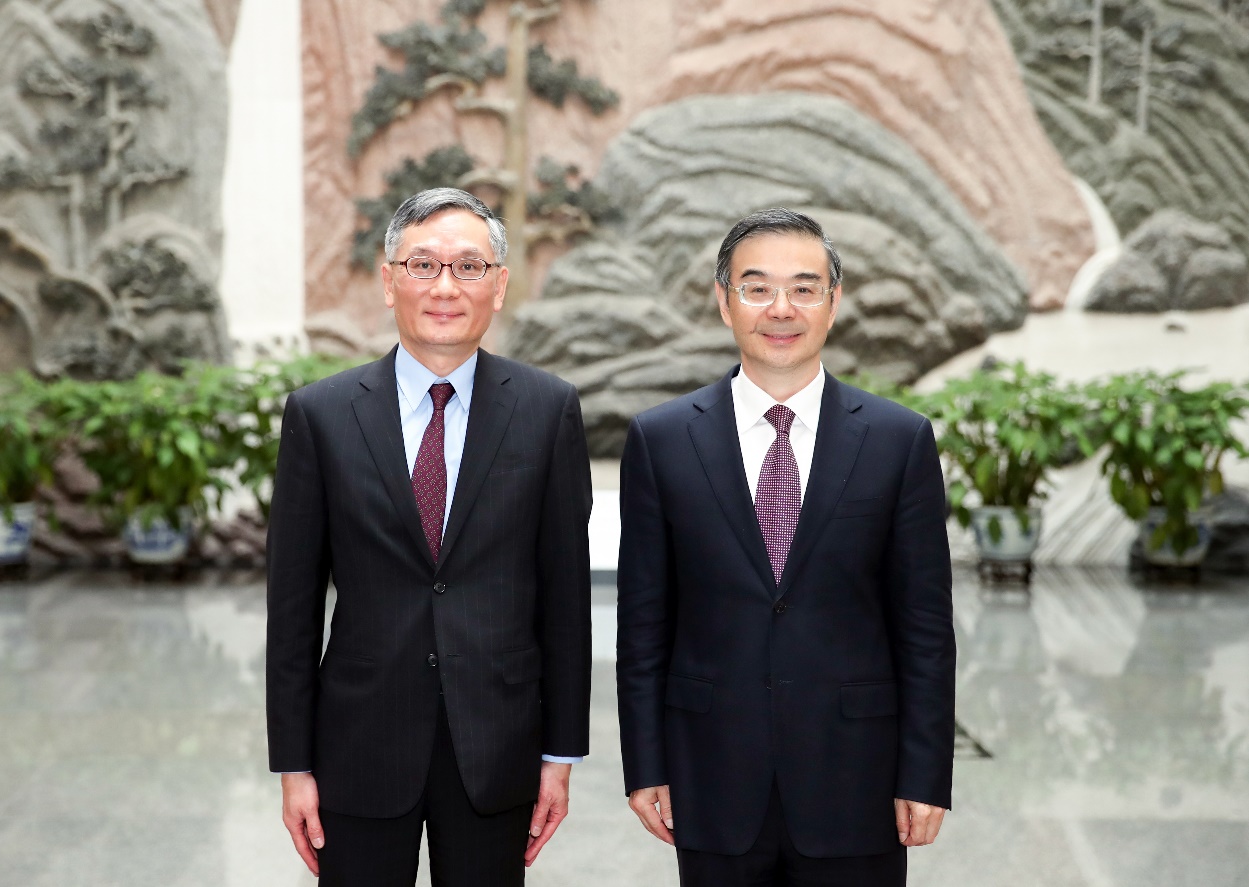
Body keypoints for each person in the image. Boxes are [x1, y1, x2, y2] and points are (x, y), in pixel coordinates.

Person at [616, 208, 955, 886]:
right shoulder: (660, 439)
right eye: (756, 286)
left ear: (834, 302)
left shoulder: (898, 439)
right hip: (709, 775)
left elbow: (923, 627)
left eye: (803, 287)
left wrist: (924, 773)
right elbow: (643, 625)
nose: (780, 307)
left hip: (857, 778)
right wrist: (647, 764)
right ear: (723, 301)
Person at [266, 188, 592, 886]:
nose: (445, 286)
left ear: (499, 286)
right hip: (356, 748)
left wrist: (560, 755)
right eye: (422, 265)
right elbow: (291, 610)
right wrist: (293, 764)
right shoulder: (320, 416)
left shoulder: (548, 410)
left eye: (469, 267)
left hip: (497, 746)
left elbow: (564, 600)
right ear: (388, 281)